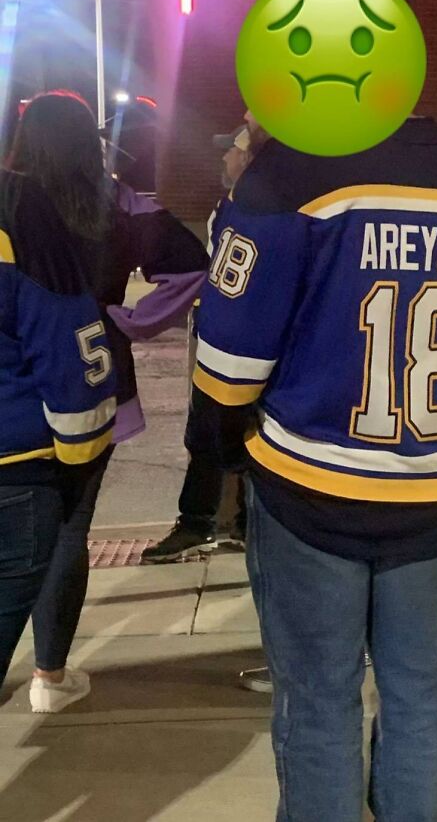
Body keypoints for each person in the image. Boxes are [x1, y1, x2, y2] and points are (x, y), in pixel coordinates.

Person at [188, 0, 437, 822]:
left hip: (314, 478)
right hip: (429, 477)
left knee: (321, 697)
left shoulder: (288, 174)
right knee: (419, 688)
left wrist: (254, 163)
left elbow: (229, 364)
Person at [4, 91, 208, 710]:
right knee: (69, 531)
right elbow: (194, 266)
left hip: (17, 391)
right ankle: (49, 676)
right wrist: (128, 321)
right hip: (96, 384)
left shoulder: (13, 206)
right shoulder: (118, 203)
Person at [0, 167, 116, 702]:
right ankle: (49, 674)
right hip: (13, 464)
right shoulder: (17, 203)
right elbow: (68, 344)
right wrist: (78, 458)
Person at [142, 114, 269, 563]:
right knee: (206, 435)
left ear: (252, 157)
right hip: (222, 339)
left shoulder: (262, 206)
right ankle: (213, 523)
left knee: (233, 435)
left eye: (233, 148)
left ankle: (232, 525)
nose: (225, 155)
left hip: (246, 346)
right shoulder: (231, 203)